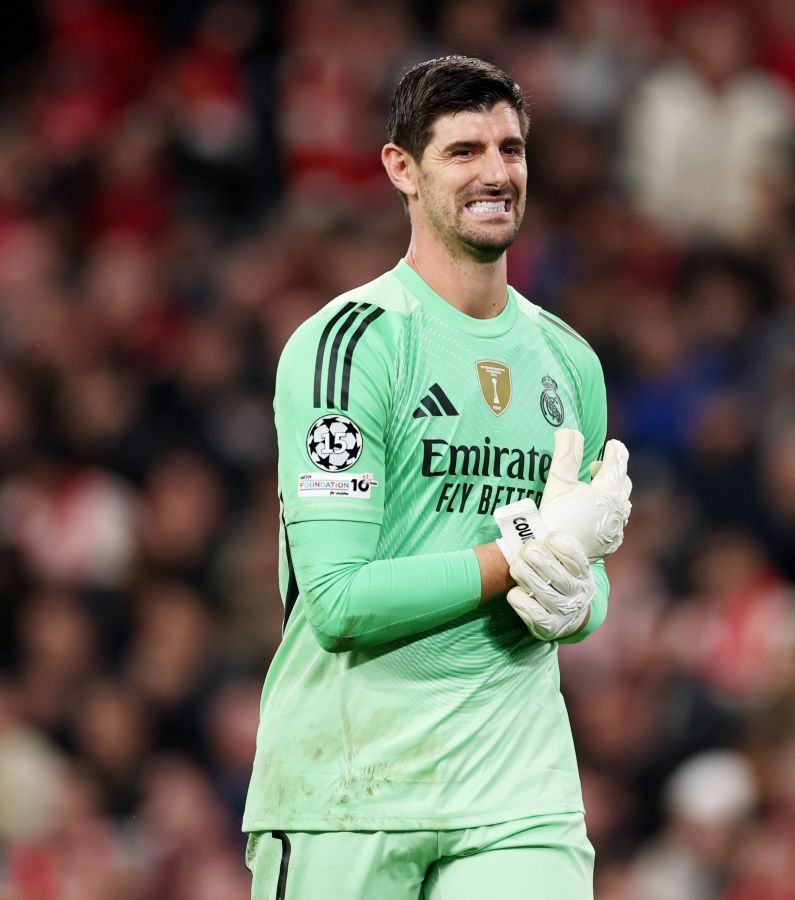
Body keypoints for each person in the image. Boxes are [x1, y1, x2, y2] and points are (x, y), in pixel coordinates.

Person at [242, 56, 632, 900]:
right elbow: (338, 601)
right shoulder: (350, 345)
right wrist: (519, 558)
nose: (496, 172)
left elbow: (584, 580)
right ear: (402, 170)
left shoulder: (570, 362)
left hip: (518, 794)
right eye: (463, 151)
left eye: (510, 149)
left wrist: (577, 600)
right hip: (349, 789)